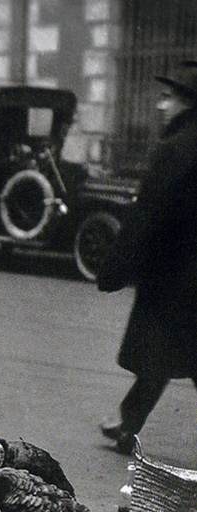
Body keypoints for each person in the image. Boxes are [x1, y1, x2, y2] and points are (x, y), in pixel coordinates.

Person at [97, 60, 197, 454]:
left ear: (188, 103)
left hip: (175, 275)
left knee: (162, 347)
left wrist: (116, 266)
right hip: (187, 275)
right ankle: (128, 423)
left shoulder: (176, 150)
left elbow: (148, 215)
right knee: (169, 351)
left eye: (168, 97)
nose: (160, 105)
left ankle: (128, 424)